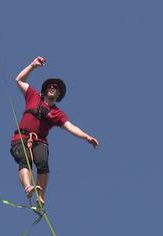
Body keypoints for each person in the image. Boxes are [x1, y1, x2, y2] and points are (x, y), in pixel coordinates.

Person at [10, 56, 99, 207]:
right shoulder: (33, 96)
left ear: (58, 95)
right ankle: (28, 187)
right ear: (45, 90)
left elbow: (71, 127)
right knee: (25, 160)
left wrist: (86, 137)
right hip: (22, 137)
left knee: (43, 163)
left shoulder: (57, 113)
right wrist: (33, 65)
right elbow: (19, 80)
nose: (53, 88)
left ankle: (41, 197)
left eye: (55, 88)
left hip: (40, 141)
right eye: (50, 87)